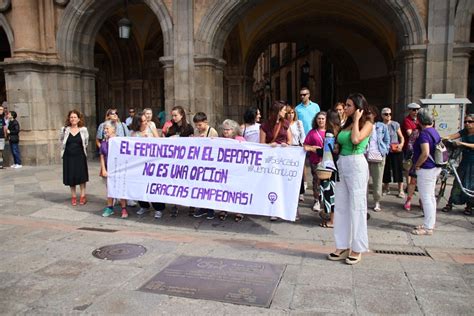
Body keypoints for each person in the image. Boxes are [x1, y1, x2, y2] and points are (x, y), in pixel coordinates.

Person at [327, 93, 373, 265]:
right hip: (343, 163)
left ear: (358, 108)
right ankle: (342, 245)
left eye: (348, 105)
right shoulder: (345, 123)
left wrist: (356, 120)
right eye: (345, 105)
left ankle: (357, 247)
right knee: (341, 206)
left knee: (357, 206)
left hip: (356, 163)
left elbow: (355, 140)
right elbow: (342, 143)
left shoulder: (367, 123)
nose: (344, 108)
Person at [411, 109, 442, 235]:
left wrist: (417, 165)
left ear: (419, 120)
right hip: (434, 167)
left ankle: (428, 227)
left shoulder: (424, 134)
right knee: (430, 197)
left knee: (426, 198)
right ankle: (430, 223)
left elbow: (425, 153)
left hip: (426, 169)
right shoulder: (434, 131)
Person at [128, 111, 164, 218]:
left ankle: (158, 208)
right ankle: (144, 205)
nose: (145, 122)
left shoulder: (151, 128)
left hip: (152, 164)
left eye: (146, 120)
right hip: (140, 165)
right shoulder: (134, 134)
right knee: (140, 186)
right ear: (138, 123)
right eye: (143, 121)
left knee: (153, 186)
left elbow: (160, 142)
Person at [441, 113, 474, 215]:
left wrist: (462, 143)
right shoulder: (465, 131)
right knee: (457, 182)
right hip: (464, 161)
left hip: (473, 163)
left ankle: (469, 206)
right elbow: (453, 135)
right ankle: (450, 203)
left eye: (470, 122)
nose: (467, 124)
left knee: (471, 184)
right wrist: (443, 138)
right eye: (465, 122)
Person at [165, 106, 194, 217]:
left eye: (176, 115)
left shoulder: (188, 128)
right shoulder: (171, 128)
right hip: (174, 161)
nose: (174, 117)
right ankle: (175, 205)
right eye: (172, 115)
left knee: (188, 183)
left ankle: (191, 205)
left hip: (186, 161)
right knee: (175, 183)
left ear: (182, 115)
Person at [217, 119, 245, 222]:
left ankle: (239, 210)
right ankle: (224, 209)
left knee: (237, 190)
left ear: (233, 130)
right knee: (225, 190)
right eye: (224, 129)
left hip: (237, 170)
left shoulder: (240, 139)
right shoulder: (220, 139)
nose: (225, 132)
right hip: (225, 170)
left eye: (227, 130)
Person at [99, 121, 128, 218]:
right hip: (108, 169)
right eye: (104, 129)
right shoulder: (104, 142)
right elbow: (102, 156)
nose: (105, 130)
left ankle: (124, 208)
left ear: (113, 129)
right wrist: (103, 169)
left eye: (107, 128)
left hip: (118, 168)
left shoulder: (119, 141)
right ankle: (110, 207)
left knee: (121, 188)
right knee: (110, 189)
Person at [60, 110, 89, 205]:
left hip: (80, 155)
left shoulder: (83, 129)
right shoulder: (64, 129)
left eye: (75, 117)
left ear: (78, 119)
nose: (73, 119)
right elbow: (61, 140)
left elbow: (86, 142)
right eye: (71, 117)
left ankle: (83, 196)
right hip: (68, 156)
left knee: (81, 176)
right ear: (69, 118)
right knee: (71, 176)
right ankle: (73, 196)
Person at [192, 112, 218, 220]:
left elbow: (216, 147)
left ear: (205, 122)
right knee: (201, 187)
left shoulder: (212, 131)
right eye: (196, 125)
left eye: (200, 125)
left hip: (209, 164)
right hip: (199, 163)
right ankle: (202, 207)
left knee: (209, 187)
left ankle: (210, 209)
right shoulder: (196, 131)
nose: (198, 127)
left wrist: (206, 141)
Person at [366, 106, 390, 212]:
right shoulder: (364, 125)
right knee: (364, 181)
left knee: (377, 180)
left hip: (378, 155)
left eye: (370, 113)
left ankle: (377, 201)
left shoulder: (381, 126)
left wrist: (384, 150)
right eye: (367, 113)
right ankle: (364, 200)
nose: (368, 115)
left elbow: (387, 139)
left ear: (374, 115)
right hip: (365, 155)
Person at [303, 112, 326, 212]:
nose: (321, 120)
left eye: (322, 119)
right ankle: (316, 200)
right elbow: (305, 145)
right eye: (319, 119)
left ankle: (326, 201)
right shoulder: (312, 132)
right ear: (316, 120)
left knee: (326, 182)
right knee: (316, 181)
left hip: (327, 161)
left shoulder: (330, 132)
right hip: (315, 161)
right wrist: (313, 148)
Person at [402, 103, 422, 211]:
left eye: (418, 110)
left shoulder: (423, 123)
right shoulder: (407, 121)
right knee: (411, 177)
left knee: (423, 181)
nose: (416, 112)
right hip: (413, 153)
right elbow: (410, 135)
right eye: (414, 110)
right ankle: (409, 199)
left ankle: (422, 200)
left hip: (425, 157)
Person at [382, 107, 405, 198]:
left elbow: (401, 136)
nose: (388, 116)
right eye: (386, 114)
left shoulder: (395, 124)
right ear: (382, 115)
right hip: (385, 150)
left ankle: (401, 189)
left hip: (395, 149)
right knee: (385, 169)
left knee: (398, 169)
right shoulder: (379, 125)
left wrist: (401, 144)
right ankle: (386, 187)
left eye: (390, 114)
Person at [0, 105, 6, 169]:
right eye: (0, 109)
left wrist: (5, 135)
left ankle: (1, 164)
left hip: (1, 136)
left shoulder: (2, 118)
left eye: (2, 109)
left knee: (1, 150)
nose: (1, 111)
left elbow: (4, 127)